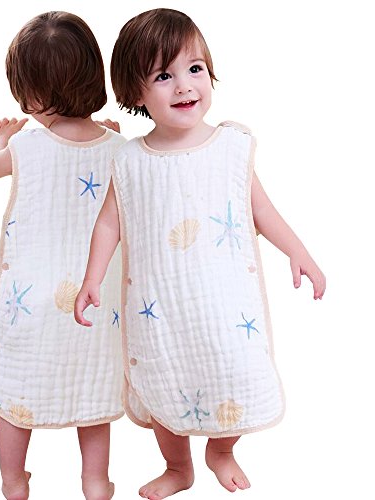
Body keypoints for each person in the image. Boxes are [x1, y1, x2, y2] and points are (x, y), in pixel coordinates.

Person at [74, 8, 326, 500]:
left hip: (225, 308)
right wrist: (91, 278)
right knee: (164, 383)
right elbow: (109, 223)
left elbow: (261, 210)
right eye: (163, 76)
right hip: (160, 312)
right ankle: (178, 466)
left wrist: (299, 252)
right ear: (136, 93)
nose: (185, 86)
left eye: (195, 68)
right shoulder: (131, 160)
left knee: (235, 374)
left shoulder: (230, 146)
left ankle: (222, 450)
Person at [0, 11, 125, 500]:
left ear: (31, 93)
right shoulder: (119, 148)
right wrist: (108, 133)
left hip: (31, 300)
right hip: (93, 302)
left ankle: (13, 481)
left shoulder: (26, 144)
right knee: (94, 391)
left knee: (15, 387)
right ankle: (95, 482)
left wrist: (1, 137)